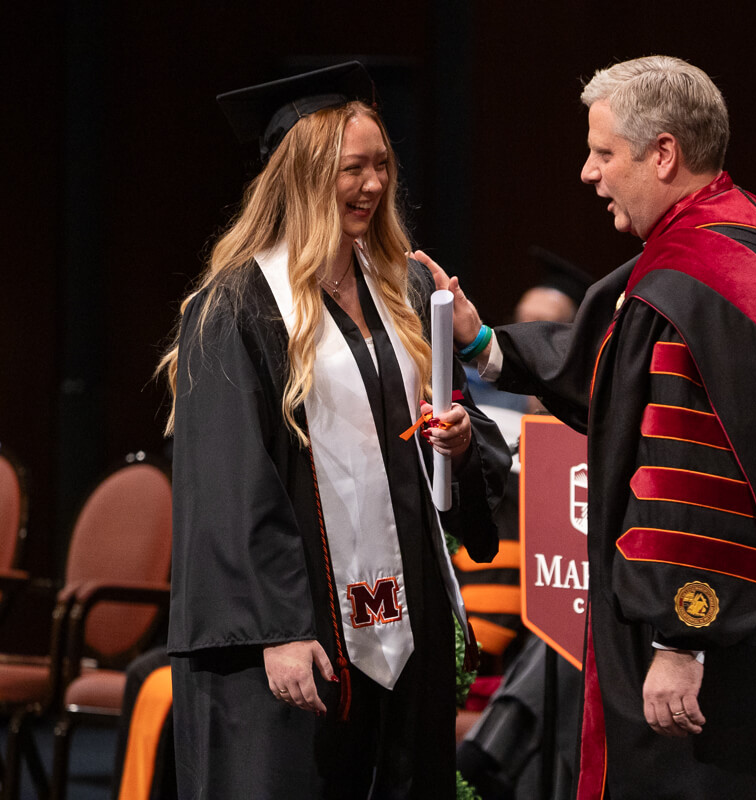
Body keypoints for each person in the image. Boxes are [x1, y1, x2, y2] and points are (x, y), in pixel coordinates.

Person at [417, 55, 756, 799]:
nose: (589, 173)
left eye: (603, 153)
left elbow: (693, 473)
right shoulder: (740, 237)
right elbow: (623, 377)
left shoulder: (698, 283)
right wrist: (485, 343)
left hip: (725, 650)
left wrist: (682, 637)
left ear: (663, 154)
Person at [159, 62, 509, 798]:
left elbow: (464, 421)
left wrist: (461, 437)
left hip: (401, 626)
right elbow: (229, 486)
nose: (374, 185)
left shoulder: (404, 289)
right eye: (353, 169)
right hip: (296, 630)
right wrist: (275, 630)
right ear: (303, 176)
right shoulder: (234, 308)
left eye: (383, 165)